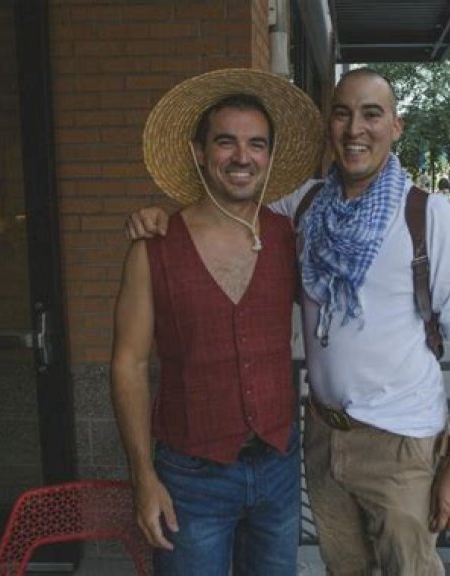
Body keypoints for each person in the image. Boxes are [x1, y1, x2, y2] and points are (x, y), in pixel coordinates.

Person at [126, 67, 450, 575]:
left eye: (371, 114)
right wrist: (159, 216)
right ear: (328, 126)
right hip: (322, 436)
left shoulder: (427, 216)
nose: (355, 129)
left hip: (400, 443)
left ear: (396, 126)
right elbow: (228, 206)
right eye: (342, 114)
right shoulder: (306, 206)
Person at [111, 68, 323, 575]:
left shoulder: (288, 238)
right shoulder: (154, 247)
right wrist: (143, 478)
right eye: (226, 142)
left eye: (256, 144)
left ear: (269, 156)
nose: (242, 157)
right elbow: (128, 364)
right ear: (199, 153)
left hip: (277, 467)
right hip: (190, 477)